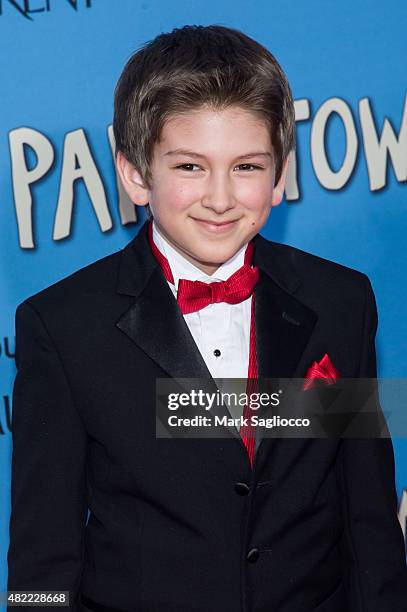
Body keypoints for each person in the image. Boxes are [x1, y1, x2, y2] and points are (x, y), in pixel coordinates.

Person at [7, 24, 407, 612]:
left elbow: (368, 520)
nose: (220, 198)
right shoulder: (63, 327)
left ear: (280, 174)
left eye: (246, 167)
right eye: (191, 167)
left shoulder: (342, 303)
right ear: (136, 175)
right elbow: (42, 562)